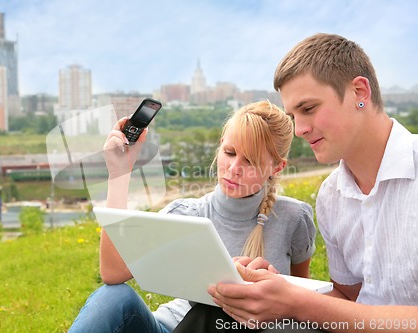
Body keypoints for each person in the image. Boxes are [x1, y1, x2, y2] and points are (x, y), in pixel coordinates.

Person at [174, 33, 418, 333]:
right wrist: (277, 287)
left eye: (309, 109)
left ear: (359, 92)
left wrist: (296, 302)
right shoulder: (331, 195)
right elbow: (350, 302)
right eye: (293, 115)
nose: (299, 130)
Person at [67, 100, 317, 332]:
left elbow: (300, 305)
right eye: (230, 153)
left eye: (250, 161)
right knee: (114, 297)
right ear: (220, 145)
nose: (233, 169)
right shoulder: (186, 214)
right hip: (174, 327)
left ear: (277, 167)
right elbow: (113, 273)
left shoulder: (294, 218)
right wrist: (119, 172)